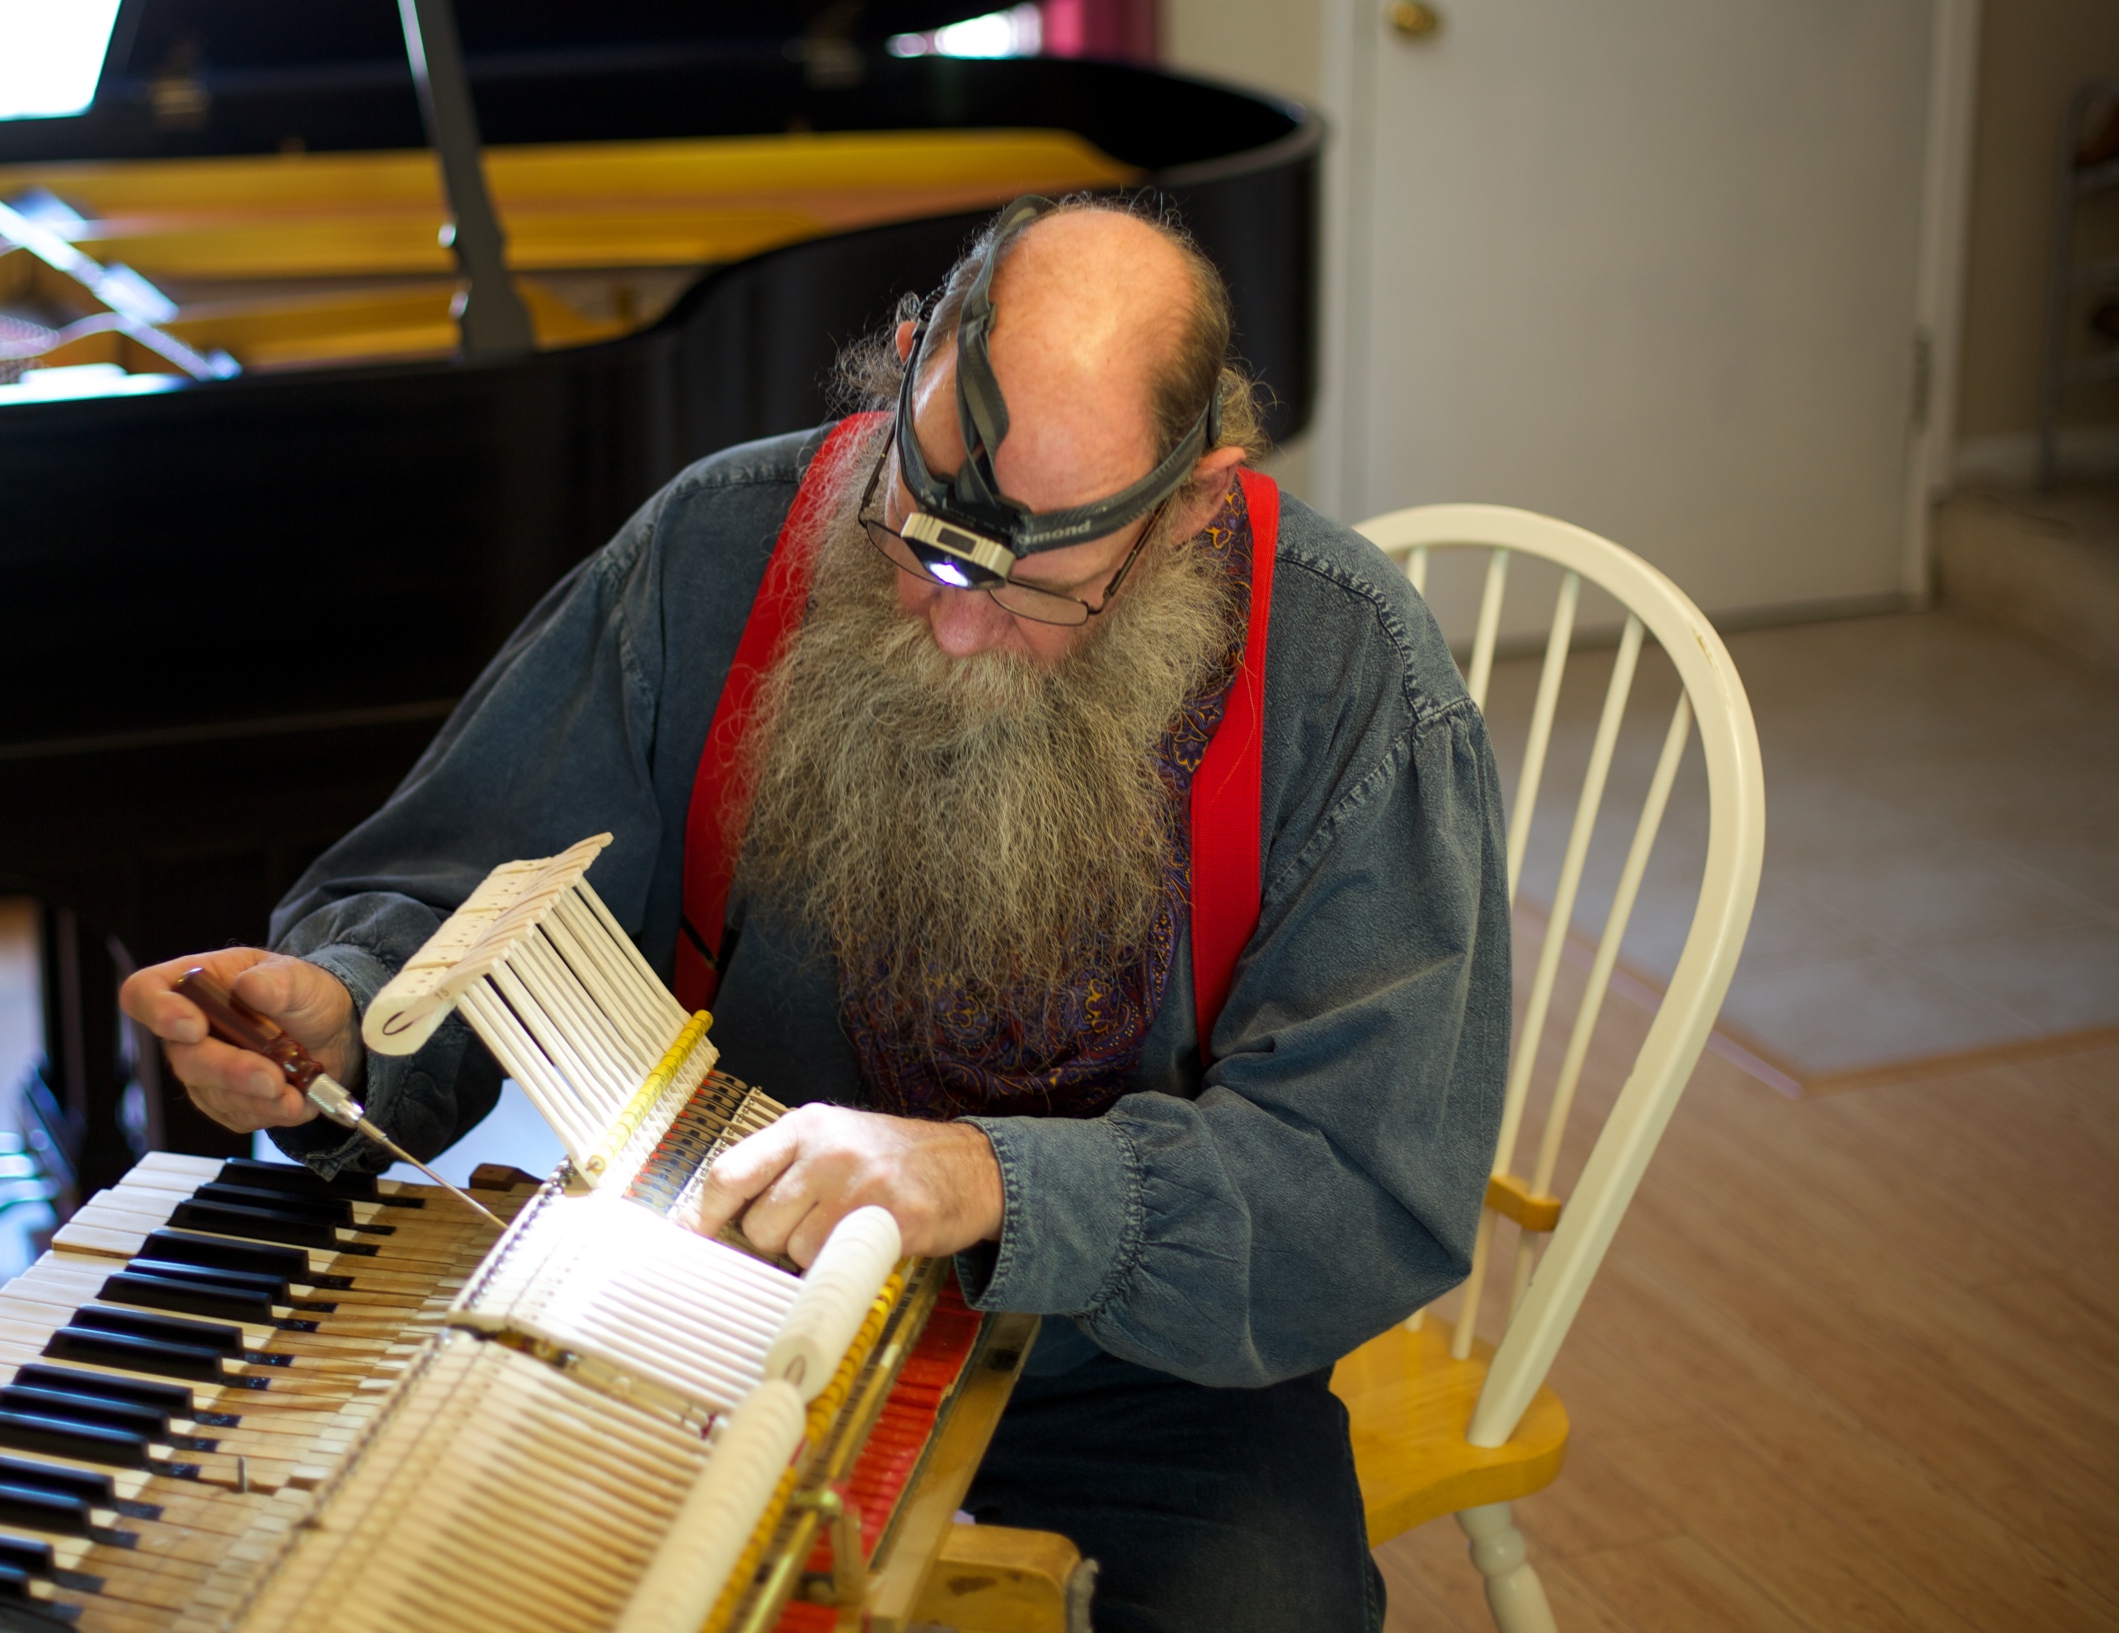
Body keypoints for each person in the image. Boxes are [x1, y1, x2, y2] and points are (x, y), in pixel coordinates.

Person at [119, 194, 1509, 1632]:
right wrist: (347, 1014)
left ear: (1196, 500)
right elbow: (467, 885)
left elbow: (1365, 1172)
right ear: (907, 363)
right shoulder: (718, 549)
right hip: (719, 1306)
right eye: (933, 541)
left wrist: (986, 1184)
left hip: (1134, 1373)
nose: (959, 621)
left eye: (1045, 588)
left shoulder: (1351, 673)